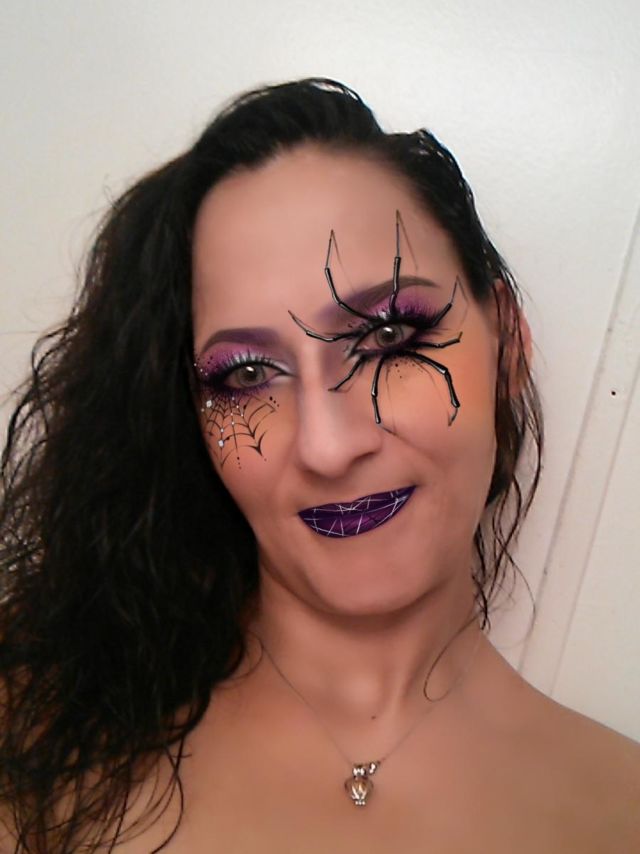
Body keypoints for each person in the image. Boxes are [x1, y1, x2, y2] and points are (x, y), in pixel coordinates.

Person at [0, 78, 638, 853]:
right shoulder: (29, 725)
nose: (328, 448)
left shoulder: (619, 814)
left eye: (389, 337)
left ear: (507, 345)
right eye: (246, 375)